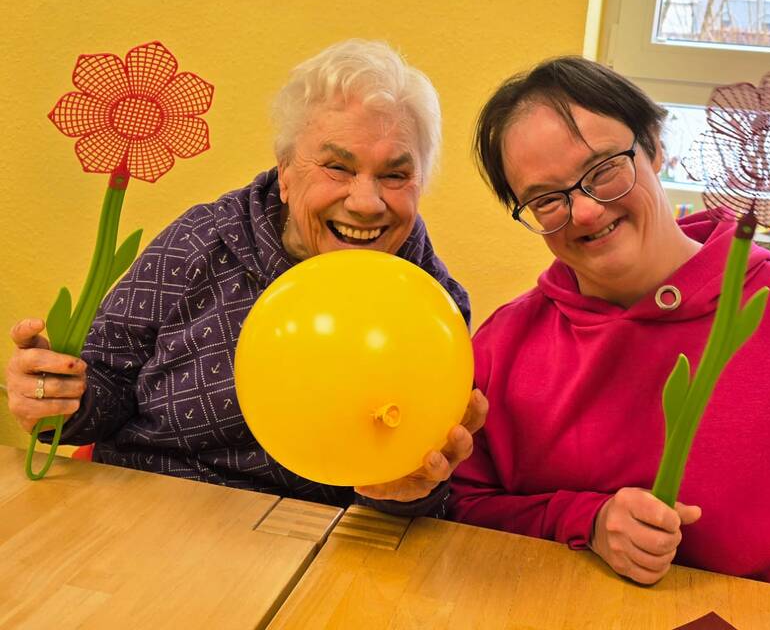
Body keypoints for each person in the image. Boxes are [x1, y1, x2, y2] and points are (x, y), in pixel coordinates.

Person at [448, 56, 770, 606]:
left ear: (654, 145)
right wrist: (585, 520)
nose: (583, 212)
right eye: (547, 199)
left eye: (604, 170)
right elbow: (462, 507)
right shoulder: (503, 344)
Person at [6, 39, 486, 513]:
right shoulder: (199, 244)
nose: (365, 201)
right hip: (152, 505)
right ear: (285, 170)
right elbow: (107, 382)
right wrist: (56, 396)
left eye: (395, 176)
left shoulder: (433, 308)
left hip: (317, 541)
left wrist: (411, 492)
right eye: (337, 167)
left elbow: (418, 490)